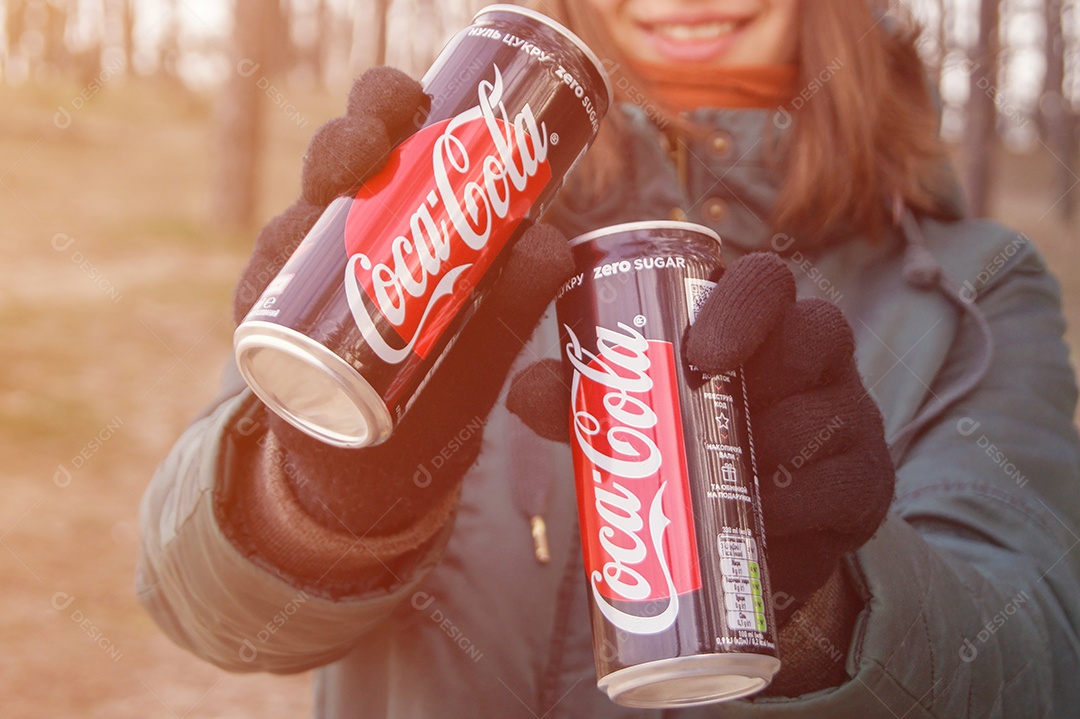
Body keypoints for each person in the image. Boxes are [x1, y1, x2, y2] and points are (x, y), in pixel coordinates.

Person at [136, 0, 1080, 716]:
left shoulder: (973, 285)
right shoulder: (447, 187)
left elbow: (1039, 665)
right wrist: (318, 498)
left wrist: (826, 608)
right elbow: (194, 603)